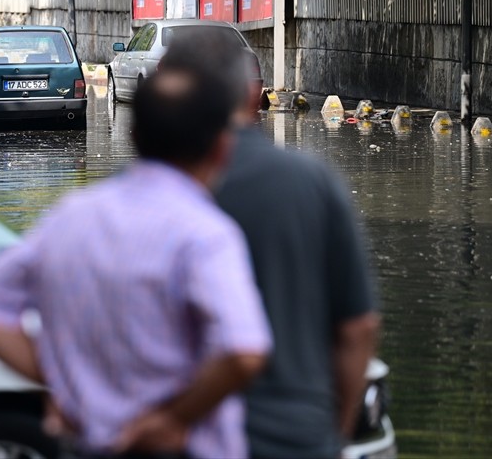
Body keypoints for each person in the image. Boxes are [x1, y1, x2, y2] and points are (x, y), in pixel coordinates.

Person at [0, 62, 273, 459]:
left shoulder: (71, 216)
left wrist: (63, 382)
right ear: (222, 147)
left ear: (134, 135)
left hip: (88, 444)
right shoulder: (205, 234)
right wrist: (172, 418)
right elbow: (244, 352)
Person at [163, 30, 381, 459]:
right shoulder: (312, 184)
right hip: (296, 439)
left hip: (178, 438)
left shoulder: (134, 199)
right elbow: (359, 329)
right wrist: (330, 434)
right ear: (254, 95)